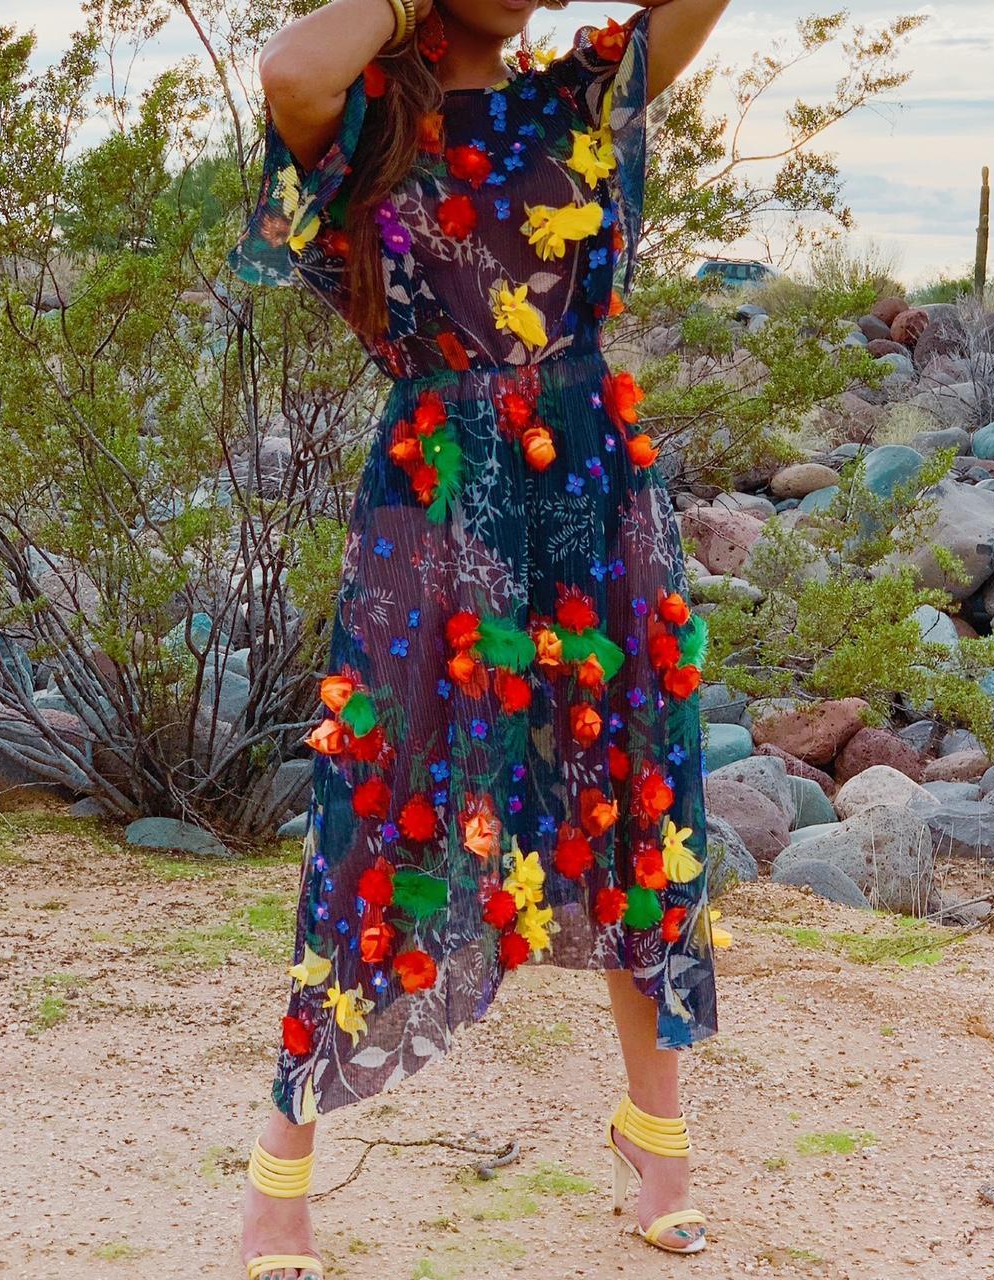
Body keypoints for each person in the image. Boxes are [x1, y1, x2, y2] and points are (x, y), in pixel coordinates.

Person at [226, 0, 731, 1274]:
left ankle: (652, 1135)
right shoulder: (363, 119)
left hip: (593, 485)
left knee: (636, 796)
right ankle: (279, 1162)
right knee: (379, 801)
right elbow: (288, 64)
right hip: (438, 499)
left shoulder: (576, 96)